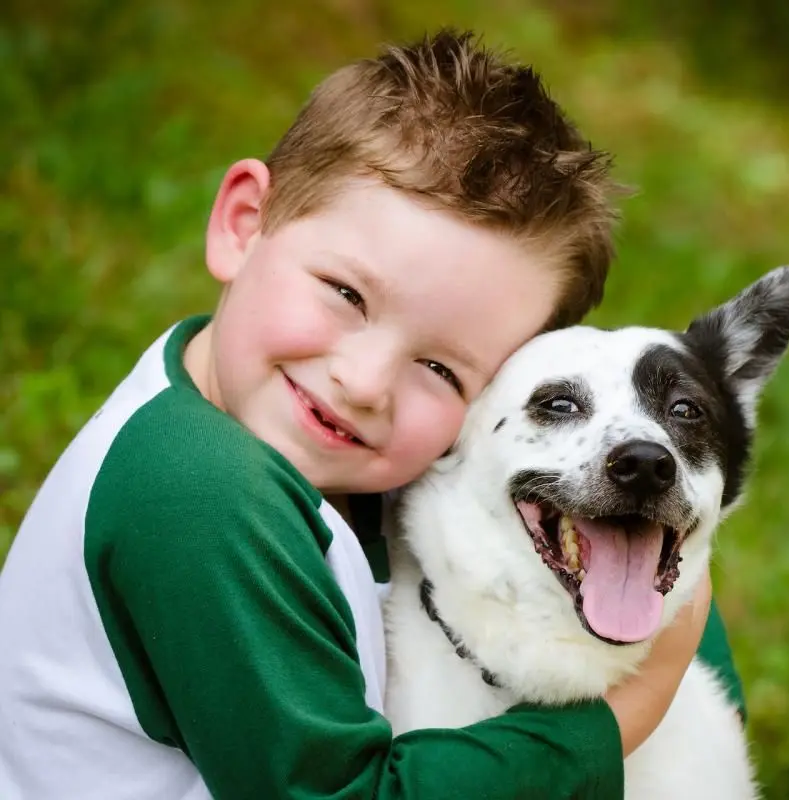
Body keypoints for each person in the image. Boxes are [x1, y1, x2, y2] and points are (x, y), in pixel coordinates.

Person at [0, 29, 743, 800]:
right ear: (245, 222)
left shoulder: (327, 446)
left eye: (439, 368)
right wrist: (629, 709)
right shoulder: (198, 495)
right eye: (346, 294)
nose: (362, 383)